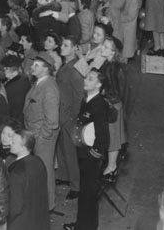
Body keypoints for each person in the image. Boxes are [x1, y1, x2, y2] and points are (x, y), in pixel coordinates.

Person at [63, 68, 110, 230]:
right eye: (86, 77)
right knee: (85, 194)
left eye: (90, 79)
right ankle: (82, 225)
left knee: (88, 196)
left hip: (90, 157)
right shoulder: (88, 99)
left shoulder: (98, 104)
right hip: (83, 153)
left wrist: (92, 156)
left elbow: (103, 137)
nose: (85, 81)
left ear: (99, 84)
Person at [23, 52, 60, 211]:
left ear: (47, 69)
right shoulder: (40, 83)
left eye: (37, 65)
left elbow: (52, 122)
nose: (32, 67)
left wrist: (40, 138)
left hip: (42, 137)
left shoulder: (49, 88)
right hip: (35, 134)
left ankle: (48, 205)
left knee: (45, 170)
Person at [56, 36, 83, 200]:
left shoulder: (75, 69)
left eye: (66, 45)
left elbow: (79, 96)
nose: (62, 47)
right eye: (62, 44)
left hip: (68, 117)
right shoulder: (66, 65)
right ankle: (64, 176)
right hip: (61, 114)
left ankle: (76, 186)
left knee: (70, 152)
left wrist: (73, 117)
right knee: (62, 148)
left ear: (74, 49)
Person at [6, 130, 50, 230]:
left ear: (23, 148)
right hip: (38, 220)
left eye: (13, 142)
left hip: (20, 224)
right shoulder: (39, 161)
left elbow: (15, 206)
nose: (10, 143)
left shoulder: (17, 172)